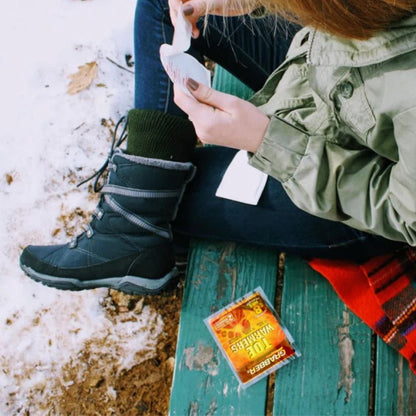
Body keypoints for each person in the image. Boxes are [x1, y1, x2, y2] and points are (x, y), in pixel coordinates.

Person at [20, 0, 416, 296]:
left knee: (170, 196)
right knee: (171, 4)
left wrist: (266, 140)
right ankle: (130, 231)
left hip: (355, 195)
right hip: (331, 59)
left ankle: (135, 234)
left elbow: (405, 213)